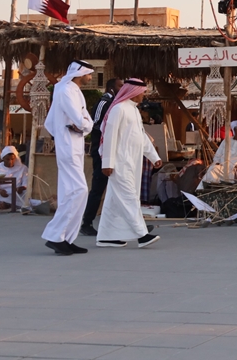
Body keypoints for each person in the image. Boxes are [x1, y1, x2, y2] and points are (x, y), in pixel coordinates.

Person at [96, 79, 162, 249]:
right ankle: (142, 235)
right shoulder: (118, 109)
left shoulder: (133, 110)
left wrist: (154, 157)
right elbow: (109, 136)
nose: (144, 95)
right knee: (129, 198)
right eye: (142, 92)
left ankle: (106, 236)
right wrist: (107, 162)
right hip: (119, 162)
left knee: (113, 201)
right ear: (133, 91)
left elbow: (141, 138)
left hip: (133, 162)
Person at [41, 60, 96, 256]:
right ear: (81, 73)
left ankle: (65, 239)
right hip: (68, 146)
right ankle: (55, 235)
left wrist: (84, 125)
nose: (90, 77)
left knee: (69, 194)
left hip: (75, 145)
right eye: (89, 73)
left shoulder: (74, 90)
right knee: (80, 191)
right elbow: (80, 119)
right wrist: (84, 125)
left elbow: (86, 120)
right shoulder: (64, 90)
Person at [81, 78, 122, 236]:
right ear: (111, 87)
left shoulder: (117, 104)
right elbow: (95, 124)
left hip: (113, 150)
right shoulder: (104, 102)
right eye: (120, 86)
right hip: (102, 151)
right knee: (98, 187)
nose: (122, 88)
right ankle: (87, 222)